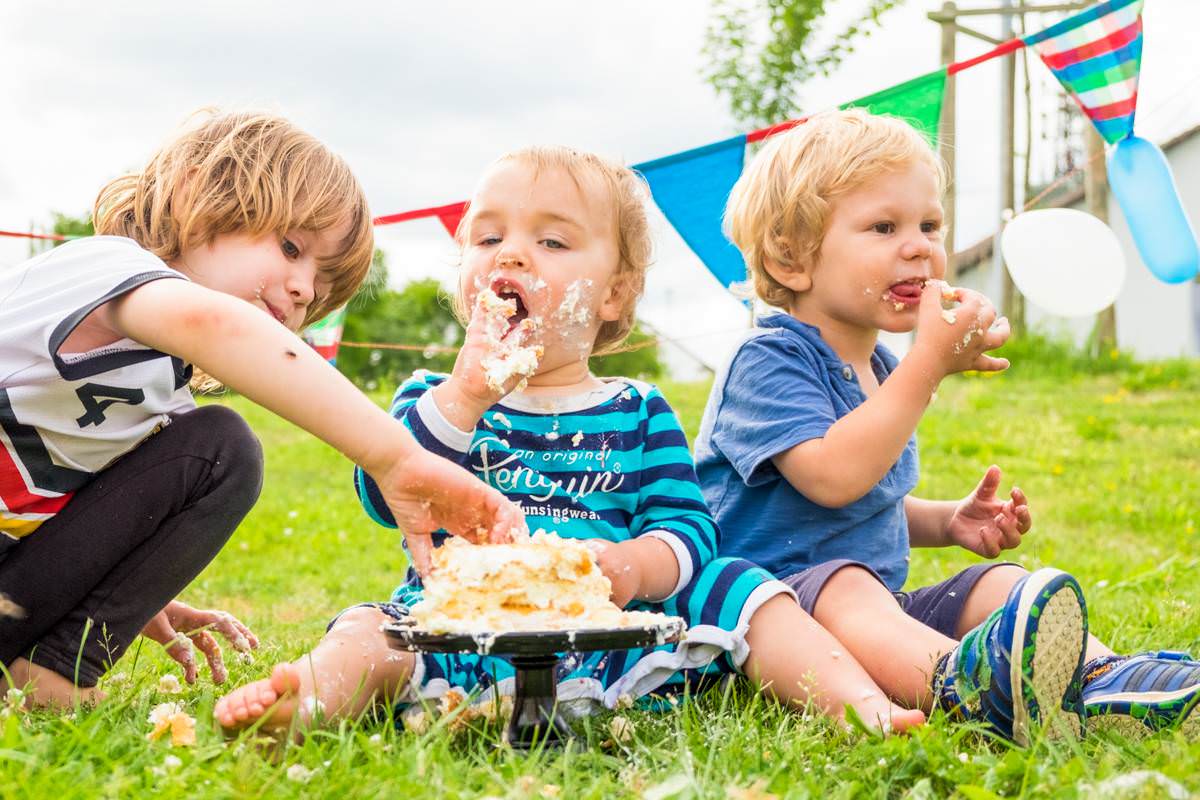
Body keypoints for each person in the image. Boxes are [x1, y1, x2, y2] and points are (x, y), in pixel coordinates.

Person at [214, 145, 932, 738]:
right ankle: (301, 700)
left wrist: (630, 567)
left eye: (551, 241)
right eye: (488, 238)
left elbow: (688, 529)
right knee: (373, 631)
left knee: (739, 586)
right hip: (463, 627)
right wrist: (466, 396)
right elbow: (385, 491)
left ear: (614, 294)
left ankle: (859, 705)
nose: (513, 256)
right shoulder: (434, 400)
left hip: (614, 632)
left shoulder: (638, 410)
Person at [695, 108, 1200, 744]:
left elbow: (860, 507)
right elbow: (831, 478)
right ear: (794, 260)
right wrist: (926, 367)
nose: (920, 246)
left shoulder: (878, 365)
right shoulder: (767, 358)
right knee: (847, 586)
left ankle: (1102, 679)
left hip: (870, 609)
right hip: (773, 618)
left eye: (929, 225)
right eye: (883, 226)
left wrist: (946, 521)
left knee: (999, 584)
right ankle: (962, 685)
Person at [0, 111, 524, 708]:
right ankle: (52, 679)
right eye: (292, 247)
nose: (304, 289)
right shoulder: (100, 269)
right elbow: (216, 324)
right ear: (196, 194)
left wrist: (128, 594)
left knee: (218, 448)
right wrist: (395, 456)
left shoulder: (165, 402)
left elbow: (59, 510)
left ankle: (46, 674)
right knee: (221, 443)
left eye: (320, 289)